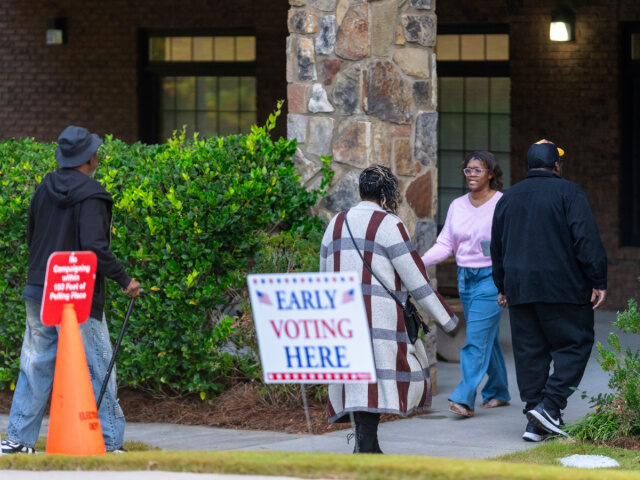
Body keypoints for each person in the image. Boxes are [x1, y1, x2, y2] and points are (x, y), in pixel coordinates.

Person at [1, 126, 141, 454]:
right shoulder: (93, 194)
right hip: (80, 295)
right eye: (96, 150)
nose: (98, 154)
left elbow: (32, 235)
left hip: (41, 288)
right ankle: (108, 442)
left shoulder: (44, 188)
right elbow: (95, 247)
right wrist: (125, 280)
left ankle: (18, 440)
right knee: (98, 365)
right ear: (89, 158)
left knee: (34, 364)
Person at [320, 165, 458, 454]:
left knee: (359, 381)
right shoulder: (389, 225)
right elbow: (416, 279)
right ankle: (367, 447)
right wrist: (448, 320)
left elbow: (324, 275)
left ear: (361, 190)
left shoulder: (336, 223)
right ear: (387, 193)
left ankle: (367, 445)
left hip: (344, 319)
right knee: (380, 381)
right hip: (380, 319)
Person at [490, 139, 607, 442]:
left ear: (530, 165)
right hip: (563, 288)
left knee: (530, 353)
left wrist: (501, 285)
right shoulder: (570, 193)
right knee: (575, 344)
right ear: (556, 164)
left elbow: (497, 248)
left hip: (520, 288)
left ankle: (536, 419)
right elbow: (586, 241)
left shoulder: (508, 198)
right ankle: (551, 405)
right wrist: (598, 280)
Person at [422, 151, 510, 419]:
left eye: (478, 170)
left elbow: (511, 244)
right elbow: (446, 244)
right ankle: (498, 392)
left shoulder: (502, 204)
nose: (471, 175)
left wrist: (507, 283)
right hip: (466, 278)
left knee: (474, 341)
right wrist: (418, 263)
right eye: (468, 170)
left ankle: (464, 397)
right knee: (486, 337)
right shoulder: (458, 205)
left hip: (491, 278)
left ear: (491, 174)